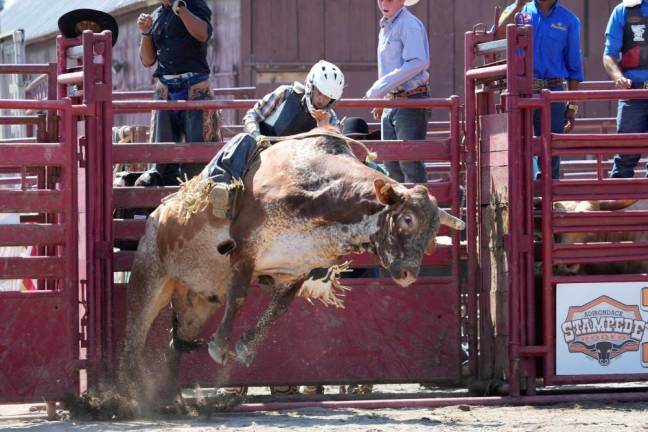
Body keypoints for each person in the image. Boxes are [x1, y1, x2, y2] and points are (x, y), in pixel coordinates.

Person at [203, 60, 345, 219]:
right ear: (311, 86)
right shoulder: (285, 94)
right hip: (263, 150)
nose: (322, 101)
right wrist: (258, 137)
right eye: (320, 94)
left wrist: (324, 128)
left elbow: (334, 153)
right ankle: (222, 186)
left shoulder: (330, 119)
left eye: (328, 98)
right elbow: (252, 116)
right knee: (243, 139)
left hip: (297, 166)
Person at [135, 0, 221, 187]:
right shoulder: (157, 14)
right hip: (166, 86)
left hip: (194, 86)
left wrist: (180, 8)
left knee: (197, 151)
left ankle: (199, 188)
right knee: (161, 153)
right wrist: (146, 32)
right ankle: (159, 185)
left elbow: (203, 34)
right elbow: (148, 60)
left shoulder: (194, 4)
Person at [496, 0, 584, 180]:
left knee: (550, 151)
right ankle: (522, 199)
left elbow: (574, 66)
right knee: (517, 148)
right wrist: (517, 5)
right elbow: (497, 35)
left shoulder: (569, 20)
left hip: (553, 91)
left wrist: (572, 106)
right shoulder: (519, 12)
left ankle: (546, 202)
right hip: (520, 89)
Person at [365, 0, 430, 184]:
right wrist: (384, 97)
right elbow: (391, 68)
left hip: (411, 98)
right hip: (394, 101)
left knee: (409, 163)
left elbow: (418, 62)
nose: (384, 3)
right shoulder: (387, 27)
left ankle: (418, 211)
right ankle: (400, 211)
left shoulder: (408, 25)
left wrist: (380, 90)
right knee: (391, 163)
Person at [603, 0, 648, 179]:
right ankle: (615, 201)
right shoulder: (623, 10)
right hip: (633, 94)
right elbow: (609, 55)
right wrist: (618, 77)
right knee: (625, 153)